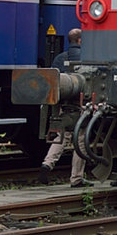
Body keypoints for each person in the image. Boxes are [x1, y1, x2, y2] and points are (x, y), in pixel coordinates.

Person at [38, 28, 89, 187]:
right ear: (80, 41)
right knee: (80, 140)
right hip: (80, 106)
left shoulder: (60, 58)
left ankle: (47, 164)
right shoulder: (87, 57)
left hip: (62, 105)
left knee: (61, 136)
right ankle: (76, 178)